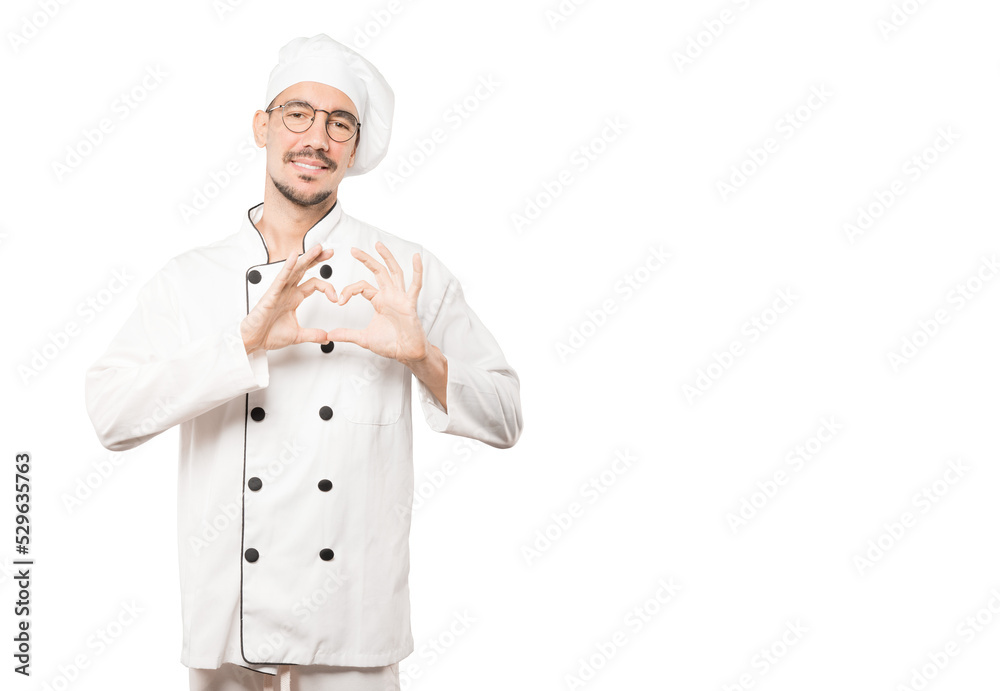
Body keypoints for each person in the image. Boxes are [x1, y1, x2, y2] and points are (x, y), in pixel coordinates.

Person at [84, 34, 523, 691]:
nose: (316, 137)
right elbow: (110, 416)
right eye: (297, 113)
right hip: (227, 634)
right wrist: (243, 344)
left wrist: (423, 358)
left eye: (338, 122)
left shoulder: (405, 272)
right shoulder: (190, 280)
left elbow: (506, 415)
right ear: (263, 126)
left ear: (353, 145)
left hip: (355, 634)